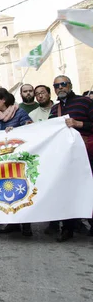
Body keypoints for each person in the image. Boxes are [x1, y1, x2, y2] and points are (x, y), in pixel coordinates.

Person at [49, 75, 93, 242]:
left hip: (87, 154)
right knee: (67, 190)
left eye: (63, 84)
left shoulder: (85, 103)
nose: (60, 88)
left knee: (89, 189)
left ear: (70, 85)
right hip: (66, 157)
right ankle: (68, 228)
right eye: (56, 85)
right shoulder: (54, 109)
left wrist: (79, 124)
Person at [0, 87, 33, 237]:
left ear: (4, 100)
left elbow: (31, 129)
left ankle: (26, 224)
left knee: (22, 189)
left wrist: (18, 130)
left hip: (18, 159)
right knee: (7, 190)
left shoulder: (19, 113)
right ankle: (12, 223)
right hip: (0, 160)